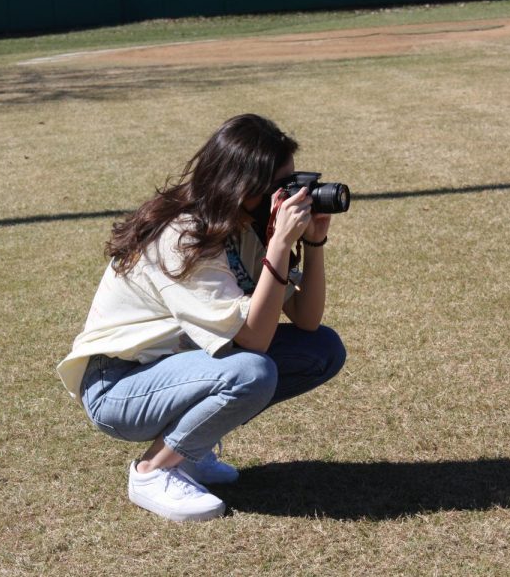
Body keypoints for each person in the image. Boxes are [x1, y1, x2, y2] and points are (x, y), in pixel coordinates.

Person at [57, 113, 346, 522]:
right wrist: (280, 244)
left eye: (292, 182)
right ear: (244, 186)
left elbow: (307, 320)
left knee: (321, 350)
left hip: (176, 368)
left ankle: (190, 452)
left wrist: (314, 242)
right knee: (251, 371)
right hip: (118, 384)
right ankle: (152, 472)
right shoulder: (182, 234)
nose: (290, 195)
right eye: (280, 186)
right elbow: (253, 342)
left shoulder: (246, 225)